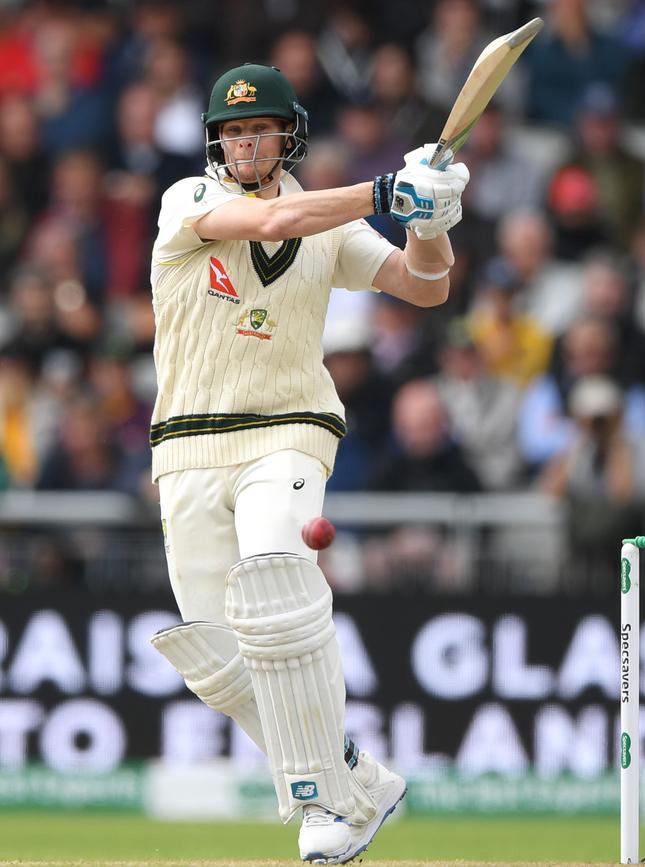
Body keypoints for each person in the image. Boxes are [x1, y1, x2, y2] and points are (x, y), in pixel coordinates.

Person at [145, 62, 469, 864]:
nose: (245, 142)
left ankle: (319, 800)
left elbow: (422, 287)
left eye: (259, 129)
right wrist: (388, 191)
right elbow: (271, 224)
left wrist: (431, 217)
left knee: (275, 586)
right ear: (215, 140)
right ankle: (356, 776)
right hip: (186, 440)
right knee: (216, 660)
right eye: (232, 130)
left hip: (289, 425)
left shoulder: (328, 221)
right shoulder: (189, 201)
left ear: (289, 134)